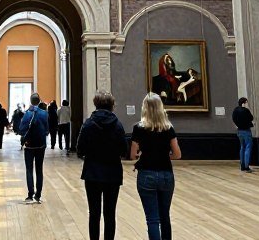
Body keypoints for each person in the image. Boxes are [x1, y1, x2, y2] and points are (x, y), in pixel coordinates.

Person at [130, 92, 181, 240]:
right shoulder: (168, 128)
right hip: (166, 174)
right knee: (165, 216)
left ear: (144, 108)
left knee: (152, 219)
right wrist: (164, 155)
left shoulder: (138, 128)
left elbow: (133, 154)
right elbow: (177, 154)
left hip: (146, 174)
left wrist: (143, 155)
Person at [77, 90, 127, 240]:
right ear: (112, 105)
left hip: (92, 173)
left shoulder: (88, 124)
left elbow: (80, 150)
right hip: (113, 173)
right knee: (110, 213)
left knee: (94, 213)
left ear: (96, 104)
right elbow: (124, 151)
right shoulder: (118, 125)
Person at [19, 93, 49, 203]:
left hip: (29, 145)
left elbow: (21, 129)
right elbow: (47, 130)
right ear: (39, 101)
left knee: (29, 170)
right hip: (41, 145)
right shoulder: (44, 114)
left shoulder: (27, 113)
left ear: (31, 101)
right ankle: (38, 195)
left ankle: (30, 194)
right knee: (39, 170)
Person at [232, 97, 254, 172]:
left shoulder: (235, 110)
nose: (247, 104)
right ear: (244, 103)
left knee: (242, 147)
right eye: (246, 102)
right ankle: (246, 166)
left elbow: (233, 118)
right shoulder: (246, 110)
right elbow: (251, 118)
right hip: (246, 130)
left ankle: (242, 165)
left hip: (239, 130)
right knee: (248, 146)